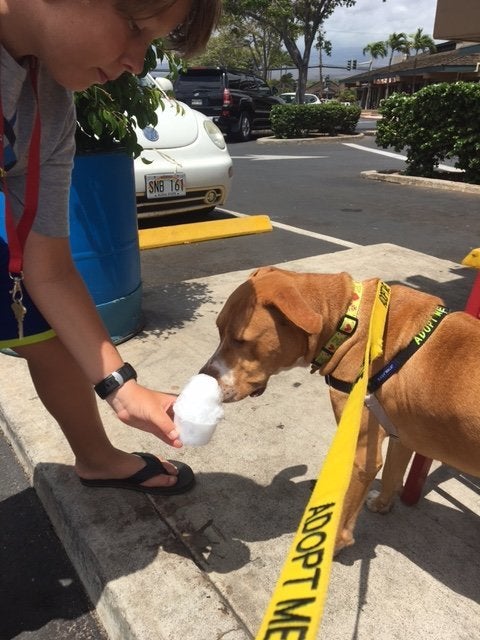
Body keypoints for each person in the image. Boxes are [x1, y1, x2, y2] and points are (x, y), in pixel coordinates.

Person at [0, 0, 221, 494]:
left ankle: (96, 458)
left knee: (44, 330)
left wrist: (122, 387)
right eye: (134, 27)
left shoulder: (48, 103)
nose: (136, 63)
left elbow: (49, 269)